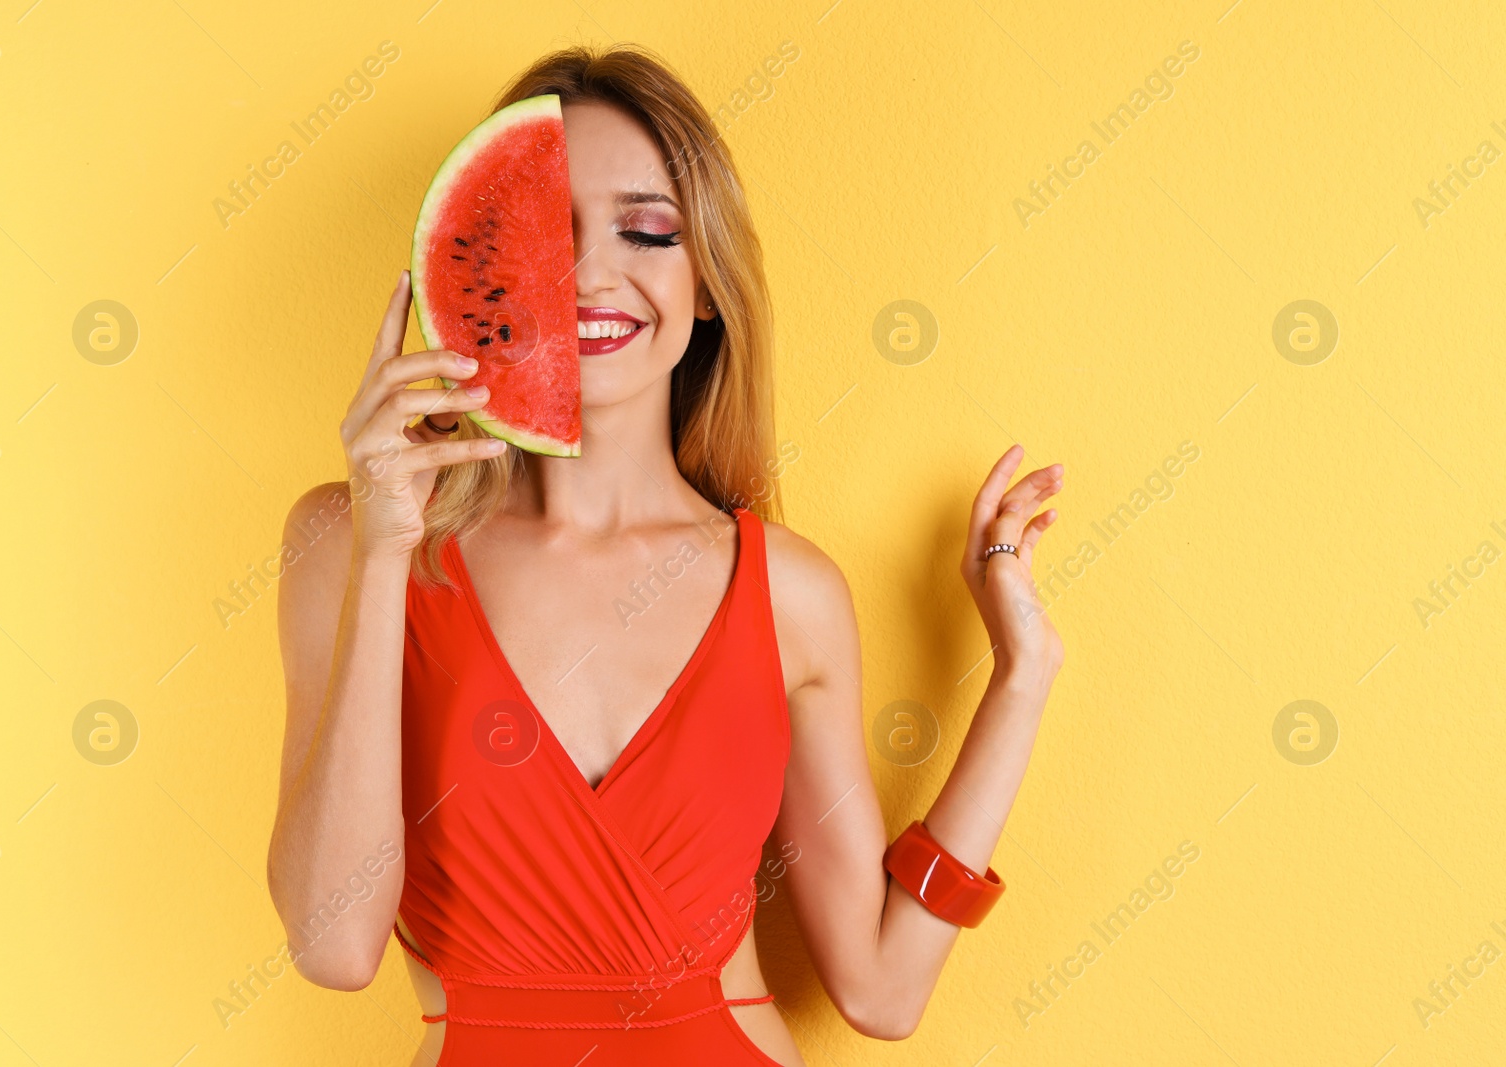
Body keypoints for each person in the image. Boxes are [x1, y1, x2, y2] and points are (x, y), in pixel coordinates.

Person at [267, 44, 1063, 1067]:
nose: (590, 271)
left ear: (704, 288)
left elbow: (881, 986)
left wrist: (1021, 675)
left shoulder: (791, 592)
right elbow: (332, 944)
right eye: (542, 233)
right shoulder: (349, 541)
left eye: (646, 230)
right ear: (477, 269)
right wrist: (385, 547)